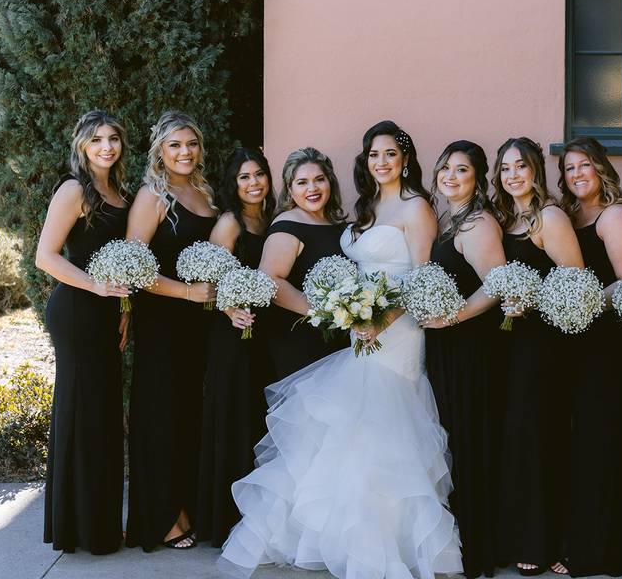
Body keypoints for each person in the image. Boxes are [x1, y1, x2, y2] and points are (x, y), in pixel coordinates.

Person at [219, 121, 461, 579]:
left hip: (396, 331)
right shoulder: (365, 209)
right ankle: (344, 537)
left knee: (389, 428)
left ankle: (390, 540)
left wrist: (379, 320)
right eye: (374, 154)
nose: (382, 162)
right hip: (359, 328)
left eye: (390, 153)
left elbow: (421, 278)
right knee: (355, 429)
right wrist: (345, 314)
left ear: (405, 159)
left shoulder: (417, 207)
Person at [36, 110, 129, 554]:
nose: (107, 147)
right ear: (82, 146)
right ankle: (77, 529)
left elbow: (123, 261)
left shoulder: (120, 191)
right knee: (81, 412)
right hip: (76, 310)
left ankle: (102, 525)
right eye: (97, 140)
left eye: (113, 139)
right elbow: (46, 256)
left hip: (108, 312)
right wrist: (95, 286)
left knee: (105, 415)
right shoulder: (75, 190)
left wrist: (123, 307)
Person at [125, 111, 218, 551]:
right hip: (163, 321)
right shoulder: (152, 196)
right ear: (160, 151)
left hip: (201, 323)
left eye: (192, 144)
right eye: (175, 145)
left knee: (190, 417)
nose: (185, 152)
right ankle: (164, 517)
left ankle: (191, 505)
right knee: (162, 415)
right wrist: (187, 293)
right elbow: (134, 267)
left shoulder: (202, 191)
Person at [491, 137, 583, 576]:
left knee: (537, 435)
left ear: (535, 172)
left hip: (541, 342)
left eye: (521, 167)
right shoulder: (504, 218)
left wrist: (531, 300)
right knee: (513, 437)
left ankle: (544, 541)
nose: (513, 175)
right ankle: (513, 536)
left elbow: (576, 282)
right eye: (505, 168)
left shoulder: (550, 217)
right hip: (505, 342)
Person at [557, 137, 622, 577]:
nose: (577, 174)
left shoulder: (617, 216)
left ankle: (603, 549)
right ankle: (576, 537)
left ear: (602, 169)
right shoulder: (567, 216)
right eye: (569, 168)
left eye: (584, 165)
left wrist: (581, 301)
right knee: (575, 441)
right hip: (570, 342)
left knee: (600, 440)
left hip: (606, 345)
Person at [421, 140, 506, 578]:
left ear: (477, 180)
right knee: (447, 437)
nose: (450, 177)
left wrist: (454, 316)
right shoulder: (444, 220)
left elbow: (496, 285)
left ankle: (476, 546)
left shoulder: (477, 223)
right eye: (445, 169)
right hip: (443, 344)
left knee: (468, 439)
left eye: (462, 171)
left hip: (469, 346)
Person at [195, 148, 276, 547]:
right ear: (233, 183)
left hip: (266, 336)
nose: (254, 183)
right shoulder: (229, 223)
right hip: (234, 335)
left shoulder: (271, 219)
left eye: (259, 175)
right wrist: (231, 311)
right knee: (233, 418)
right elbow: (211, 282)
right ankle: (223, 520)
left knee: (256, 420)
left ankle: (257, 517)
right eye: (244, 177)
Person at [259, 146, 350, 378]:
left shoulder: (338, 225)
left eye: (319, 179)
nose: (312, 188)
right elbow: (270, 281)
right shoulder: (287, 224)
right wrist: (325, 313)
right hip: (300, 340)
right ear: (290, 189)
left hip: (337, 339)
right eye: (302, 182)